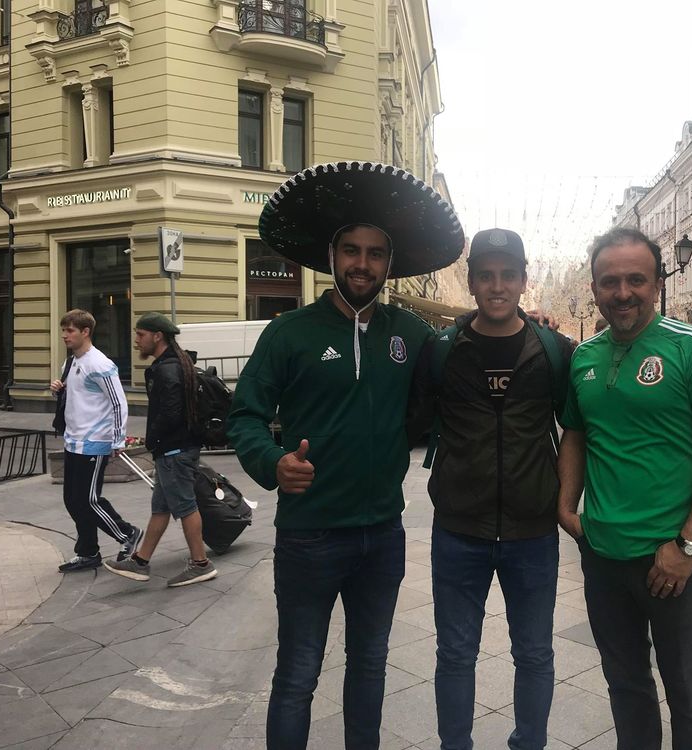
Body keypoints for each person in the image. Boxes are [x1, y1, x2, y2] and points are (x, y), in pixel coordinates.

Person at [227, 162, 464, 750]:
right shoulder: (289, 333)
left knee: (370, 665)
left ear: (390, 262)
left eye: (375, 253)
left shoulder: (411, 334)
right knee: (298, 673)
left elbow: (455, 388)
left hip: (382, 534)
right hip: (309, 535)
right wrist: (272, 462)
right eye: (352, 250)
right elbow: (244, 416)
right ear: (331, 257)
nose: (363, 263)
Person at [557, 228, 692, 749]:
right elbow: (576, 433)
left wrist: (688, 545)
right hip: (602, 554)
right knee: (626, 686)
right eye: (610, 281)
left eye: (636, 280)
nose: (623, 293)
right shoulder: (584, 357)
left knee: (689, 694)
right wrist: (566, 508)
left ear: (658, 283)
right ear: (594, 288)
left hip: (673, 559)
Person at [415, 228, 572, 750]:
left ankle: (530, 743)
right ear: (472, 281)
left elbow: (577, 429)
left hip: (533, 532)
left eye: (507, 275)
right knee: (455, 654)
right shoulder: (443, 349)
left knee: (535, 653)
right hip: (459, 530)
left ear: (524, 281)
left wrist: (565, 501)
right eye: (486, 275)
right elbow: (412, 418)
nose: (497, 286)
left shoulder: (554, 350)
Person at [105, 312, 218, 587]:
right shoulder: (176, 363)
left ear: (158, 336)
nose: (136, 340)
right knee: (161, 508)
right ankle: (140, 561)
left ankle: (201, 564)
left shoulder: (167, 369)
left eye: (141, 334)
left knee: (186, 507)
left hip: (174, 451)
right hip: (175, 449)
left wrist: (152, 440)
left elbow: (170, 414)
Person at [50, 309, 140, 572]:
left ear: (85, 332)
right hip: (74, 441)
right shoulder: (70, 363)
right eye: (63, 330)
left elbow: (118, 403)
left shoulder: (100, 364)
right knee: (72, 499)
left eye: (70, 330)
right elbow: (77, 398)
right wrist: (59, 390)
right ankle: (88, 552)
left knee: (88, 500)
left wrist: (118, 440)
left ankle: (128, 534)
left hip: (94, 441)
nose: (65, 335)